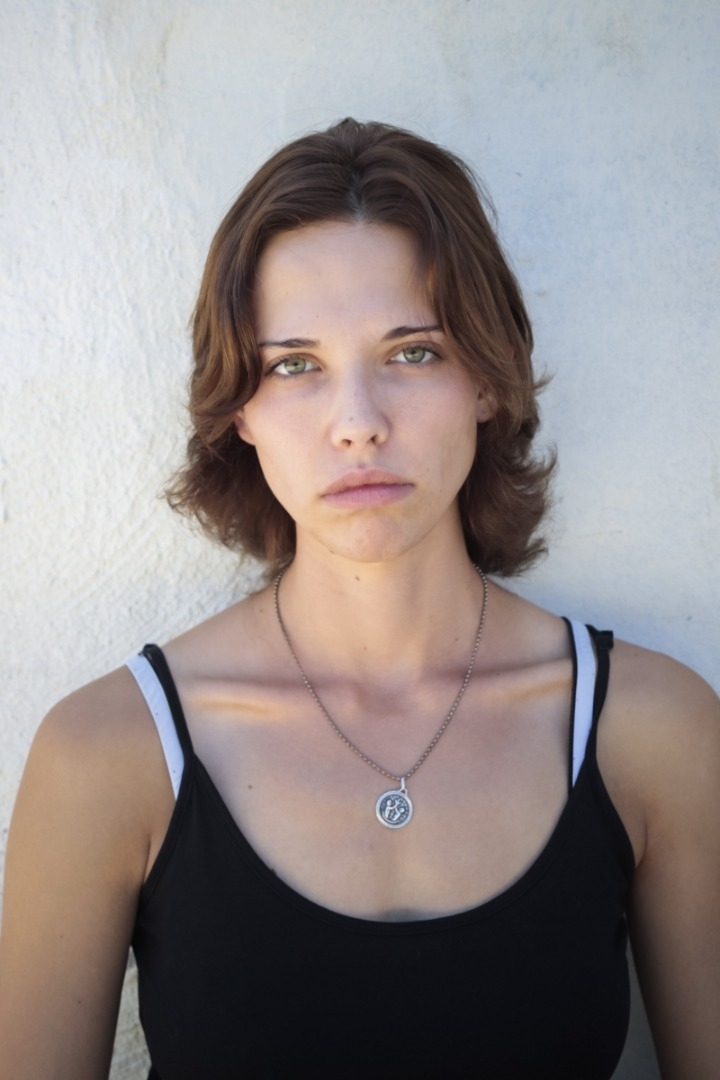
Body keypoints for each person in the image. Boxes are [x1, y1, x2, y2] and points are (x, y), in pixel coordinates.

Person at [0, 119, 718, 1080]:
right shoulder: (106, 754)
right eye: (294, 365)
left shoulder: (655, 731)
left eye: (413, 352)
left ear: (487, 380)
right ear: (240, 410)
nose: (358, 424)